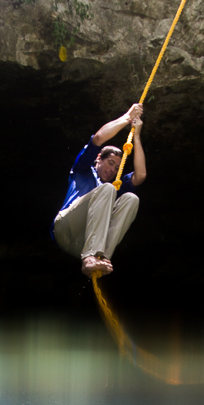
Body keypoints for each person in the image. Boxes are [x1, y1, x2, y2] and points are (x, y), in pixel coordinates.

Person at [52, 103, 148, 278]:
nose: (112, 170)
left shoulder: (114, 187)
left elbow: (140, 175)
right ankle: (91, 257)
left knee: (131, 198)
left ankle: (100, 257)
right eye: (110, 163)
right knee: (107, 189)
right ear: (98, 159)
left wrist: (137, 136)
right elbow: (98, 139)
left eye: (117, 167)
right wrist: (127, 117)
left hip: (83, 242)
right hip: (66, 230)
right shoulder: (82, 169)